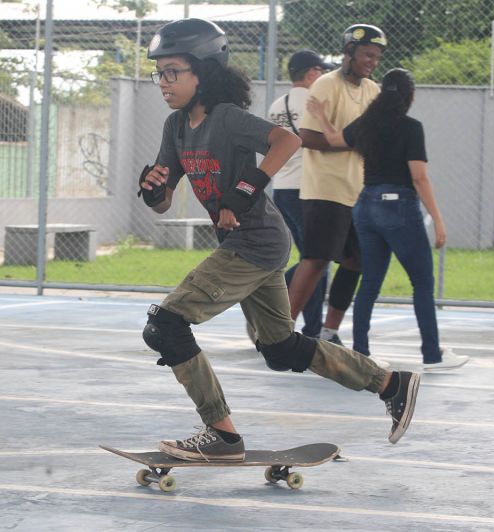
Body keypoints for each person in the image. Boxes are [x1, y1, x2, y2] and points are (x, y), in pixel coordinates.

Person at [138, 18, 421, 462]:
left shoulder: (227, 118)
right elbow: (162, 198)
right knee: (281, 348)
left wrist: (247, 188)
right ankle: (389, 383)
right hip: (261, 244)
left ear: (204, 72)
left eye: (173, 71)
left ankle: (223, 436)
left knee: (166, 326)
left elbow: (286, 141)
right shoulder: (176, 127)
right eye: (160, 72)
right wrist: (153, 187)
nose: (163, 82)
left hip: (253, 242)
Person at [306, 68, 470, 371]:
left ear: (382, 94)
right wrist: (438, 219)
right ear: (411, 96)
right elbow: (419, 177)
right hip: (398, 207)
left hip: (365, 205)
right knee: (422, 282)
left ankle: (362, 352)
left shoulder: (367, 125)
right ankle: (432, 354)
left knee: (370, 280)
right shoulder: (411, 128)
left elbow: (332, 139)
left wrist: (320, 114)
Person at [288, 24, 387, 347]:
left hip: (359, 191)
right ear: (349, 52)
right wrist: (351, 142)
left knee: (356, 261)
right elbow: (307, 137)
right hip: (325, 188)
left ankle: (330, 332)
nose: (372, 61)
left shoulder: (373, 90)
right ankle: (279, 330)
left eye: (376, 57)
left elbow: (374, 137)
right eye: (366, 55)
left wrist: (355, 142)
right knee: (316, 259)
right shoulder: (326, 86)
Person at [265, 50, 333, 339]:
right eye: (321, 72)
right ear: (311, 74)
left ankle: (310, 326)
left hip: (283, 188)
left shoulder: (276, 106)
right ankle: (304, 323)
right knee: (317, 259)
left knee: (312, 256)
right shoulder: (315, 103)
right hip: (308, 189)